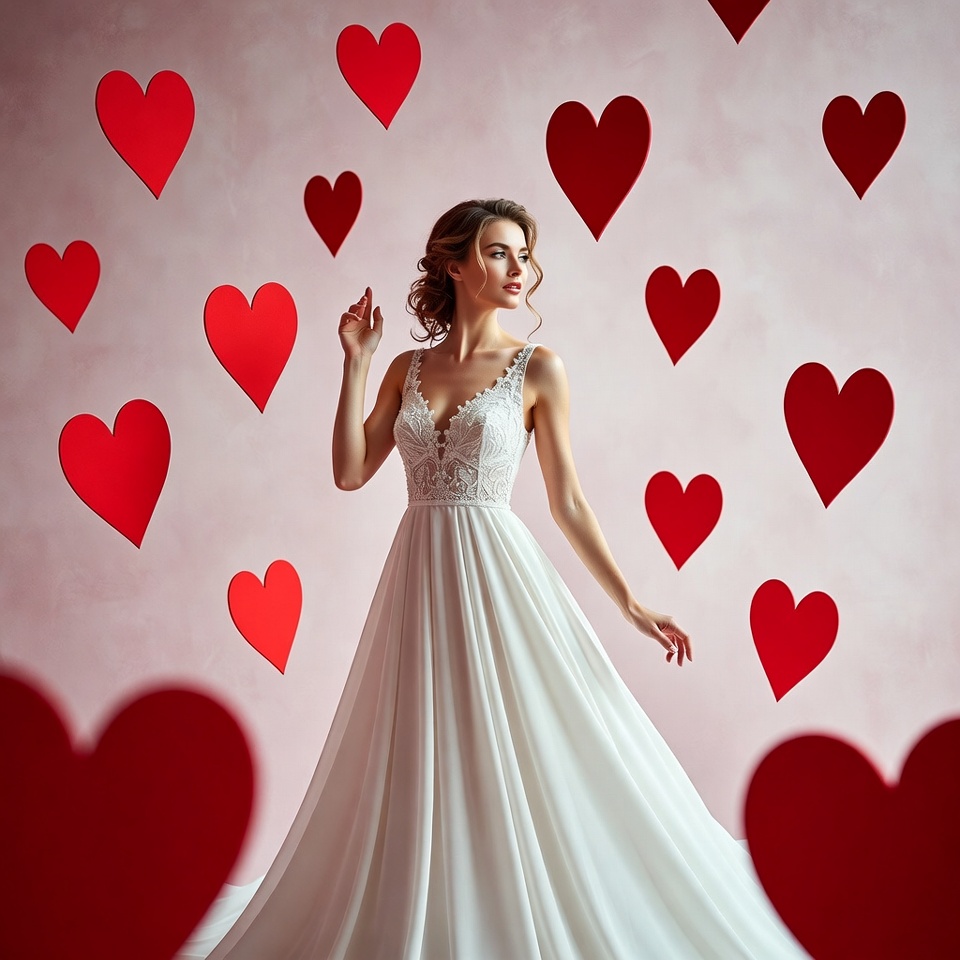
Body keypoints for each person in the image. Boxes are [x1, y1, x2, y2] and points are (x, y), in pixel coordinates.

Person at [201, 199, 808, 958]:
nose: (520, 268)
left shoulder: (538, 367)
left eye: (524, 253)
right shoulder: (406, 369)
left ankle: (507, 902)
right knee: (424, 738)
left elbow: (567, 501)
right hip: (420, 575)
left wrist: (630, 603)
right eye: (498, 252)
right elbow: (350, 472)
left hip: (498, 575)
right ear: (455, 265)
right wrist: (355, 363)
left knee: (522, 740)